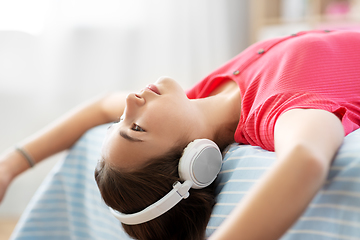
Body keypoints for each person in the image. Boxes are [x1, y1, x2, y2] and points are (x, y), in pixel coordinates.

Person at [1, 29, 360, 240]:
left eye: (119, 123)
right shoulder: (277, 110)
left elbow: (98, 108)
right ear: (195, 160)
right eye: (136, 129)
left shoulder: (208, 90)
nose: (129, 101)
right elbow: (305, 160)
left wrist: (10, 167)